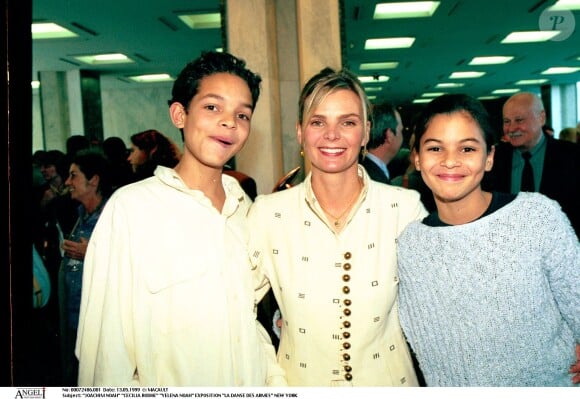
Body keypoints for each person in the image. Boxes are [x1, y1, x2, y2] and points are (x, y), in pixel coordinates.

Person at [75, 51, 283, 387]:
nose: (229, 122)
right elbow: (105, 352)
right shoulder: (132, 209)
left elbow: (248, 321)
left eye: (242, 114)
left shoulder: (245, 209)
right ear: (179, 114)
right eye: (212, 107)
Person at [248, 67, 427, 386]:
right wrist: (272, 376)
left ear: (366, 132)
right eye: (318, 122)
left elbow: (434, 309)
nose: (332, 135)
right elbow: (234, 312)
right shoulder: (268, 214)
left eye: (347, 122)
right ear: (301, 132)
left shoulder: (404, 208)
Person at [396, 93, 580, 386]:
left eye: (467, 148)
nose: (450, 161)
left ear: (490, 157)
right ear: (417, 158)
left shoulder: (537, 217)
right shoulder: (409, 246)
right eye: (435, 148)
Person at [482, 92, 579, 237]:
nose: (512, 128)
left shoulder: (573, 157)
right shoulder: (493, 160)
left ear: (541, 118)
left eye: (519, 120)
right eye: (507, 121)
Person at [59, 149, 113, 386]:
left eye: (73, 176)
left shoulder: (114, 216)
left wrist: (91, 253)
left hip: (103, 328)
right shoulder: (80, 215)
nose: (67, 182)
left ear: (94, 180)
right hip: (76, 321)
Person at [359, 101, 403, 184]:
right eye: (401, 131)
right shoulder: (373, 179)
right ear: (389, 135)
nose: (402, 137)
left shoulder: (364, 168)